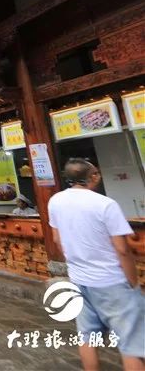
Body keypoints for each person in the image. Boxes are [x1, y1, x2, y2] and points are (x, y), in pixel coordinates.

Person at [48, 158, 144, 371]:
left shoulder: (55, 201)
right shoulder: (105, 204)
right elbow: (122, 249)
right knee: (132, 343)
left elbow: (56, 239)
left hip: (79, 279)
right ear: (92, 176)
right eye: (96, 172)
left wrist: (76, 262)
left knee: (87, 337)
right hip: (112, 280)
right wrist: (133, 282)